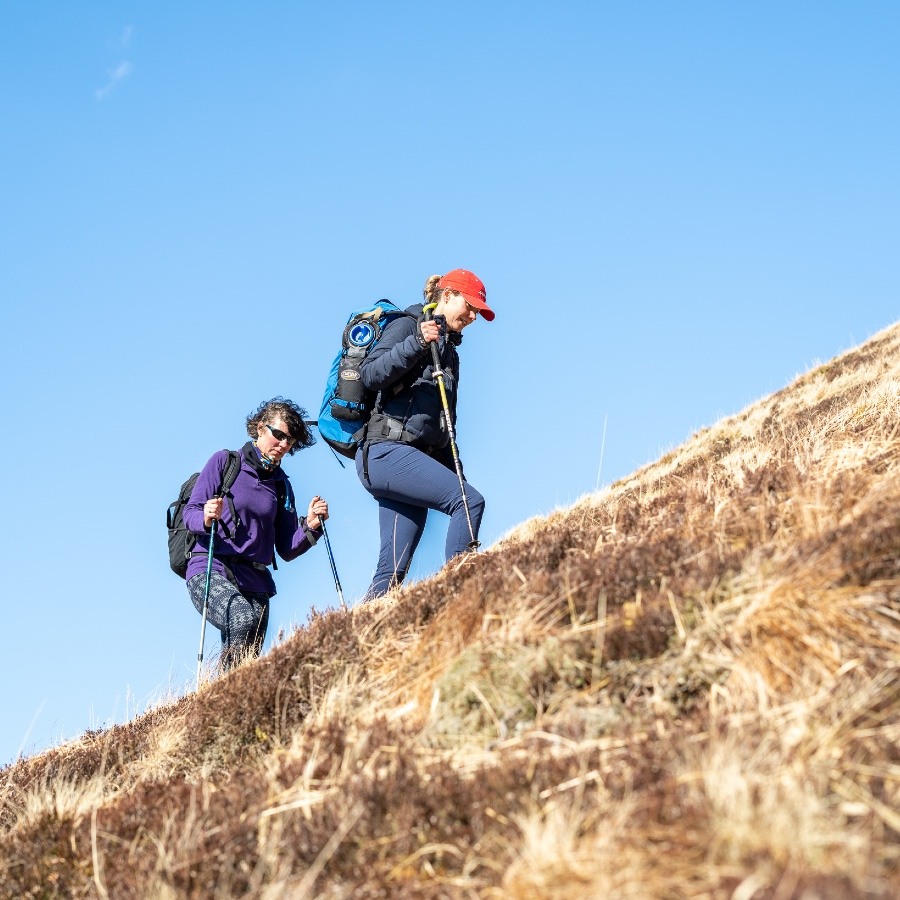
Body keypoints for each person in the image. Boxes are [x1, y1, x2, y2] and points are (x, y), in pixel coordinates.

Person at [355, 268, 494, 599]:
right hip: (384, 452)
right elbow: (369, 375)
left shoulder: (450, 354)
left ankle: (360, 639)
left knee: (391, 570)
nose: (473, 316)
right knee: (468, 501)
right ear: (447, 296)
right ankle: (463, 598)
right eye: (470, 307)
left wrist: (452, 473)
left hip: (410, 459)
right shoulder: (407, 325)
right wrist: (418, 341)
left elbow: (444, 423)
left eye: (478, 312)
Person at [184, 398, 329, 669]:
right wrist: (204, 516)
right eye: (279, 435)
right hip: (210, 567)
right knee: (241, 616)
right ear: (260, 429)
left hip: (256, 581)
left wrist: (310, 526)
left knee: (247, 665)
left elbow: (286, 548)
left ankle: (224, 704)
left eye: (290, 441)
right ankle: (219, 697)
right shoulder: (225, 462)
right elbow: (189, 511)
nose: (284, 444)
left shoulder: (281, 485)